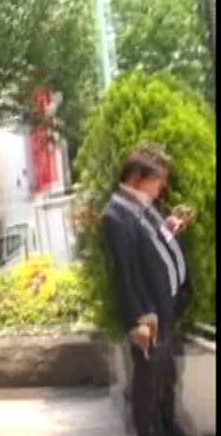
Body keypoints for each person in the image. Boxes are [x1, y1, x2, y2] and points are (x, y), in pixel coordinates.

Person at [102, 143, 191, 436]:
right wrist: (139, 318)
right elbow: (124, 273)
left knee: (165, 376)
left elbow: (152, 244)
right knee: (148, 384)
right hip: (149, 315)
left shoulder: (142, 206)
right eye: (157, 180)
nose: (161, 187)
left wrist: (170, 227)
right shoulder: (116, 215)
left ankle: (167, 426)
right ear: (137, 178)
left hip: (165, 308)